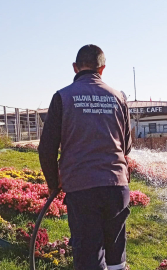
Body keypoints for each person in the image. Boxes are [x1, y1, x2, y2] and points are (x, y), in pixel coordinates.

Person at [38, 44, 132, 270]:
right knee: (116, 257)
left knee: (89, 257)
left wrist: (53, 184)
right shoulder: (119, 98)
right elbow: (126, 148)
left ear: (75, 68)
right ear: (102, 69)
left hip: (82, 190)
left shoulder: (62, 97)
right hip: (116, 188)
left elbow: (46, 149)